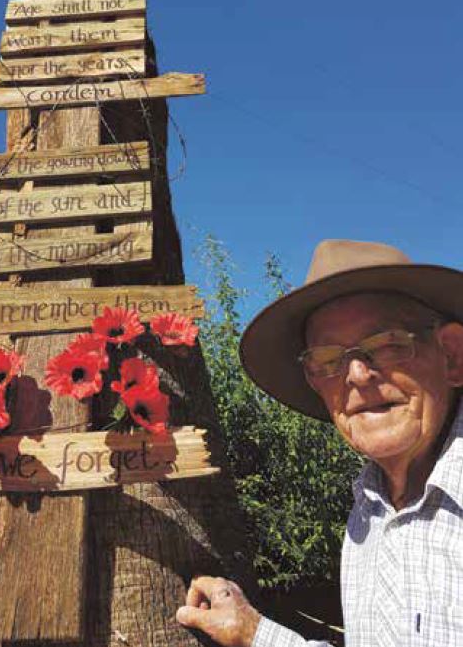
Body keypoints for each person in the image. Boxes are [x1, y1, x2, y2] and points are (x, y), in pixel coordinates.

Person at [175, 239, 463, 647]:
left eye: (387, 343)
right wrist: (254, 633)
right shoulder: (367, 515)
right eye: (329, 360)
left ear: (452, 356)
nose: (358, 375)